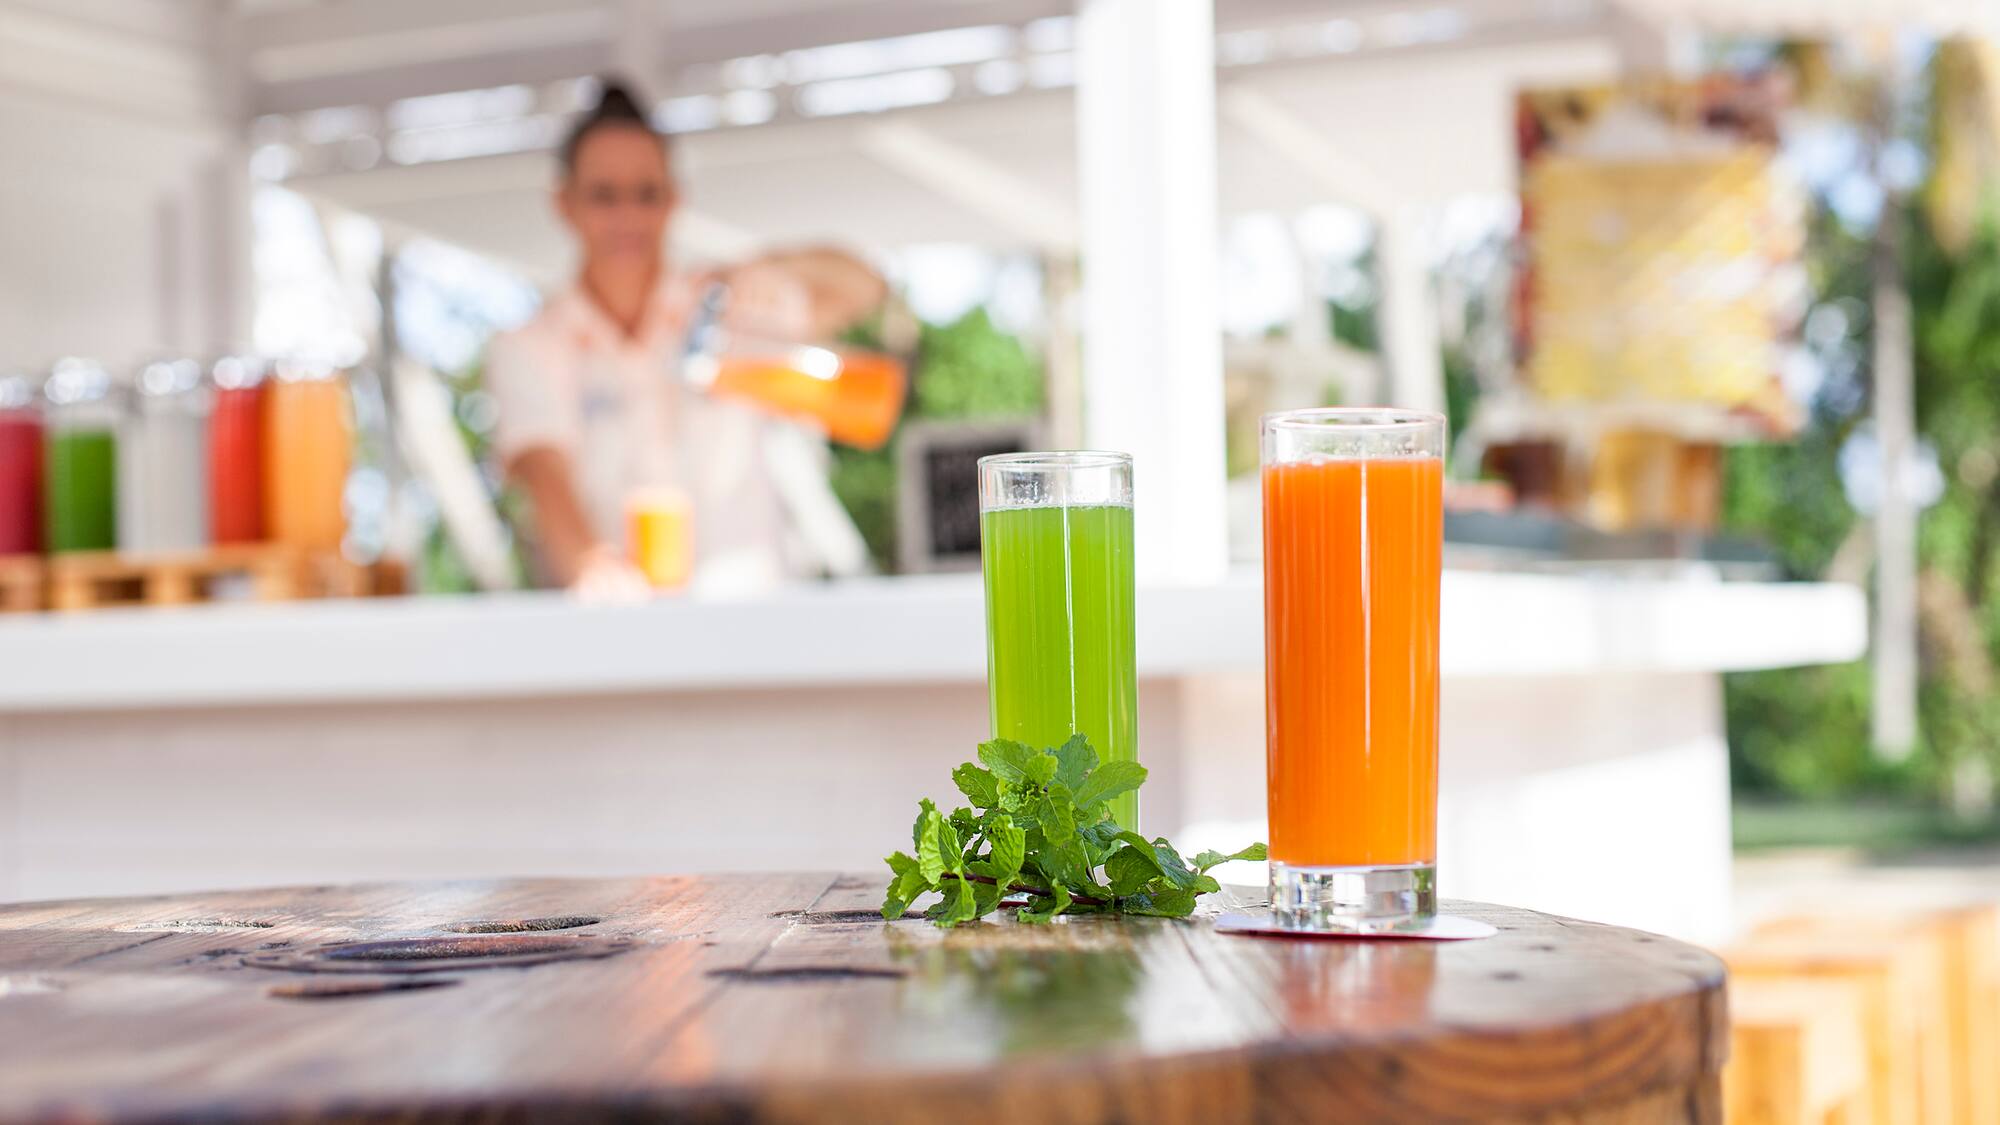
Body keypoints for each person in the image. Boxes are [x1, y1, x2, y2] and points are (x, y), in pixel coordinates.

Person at [486, 80, 886, 593]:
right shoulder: (529, 346)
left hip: (751, 612)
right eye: (604, 196)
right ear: (565, 203)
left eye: (646, 194)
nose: (628, 216)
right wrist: (592, 567)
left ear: (674, 198)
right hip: (623, 622)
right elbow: (544, 475)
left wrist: (771, 265)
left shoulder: (725, 305)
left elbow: (866, 287)